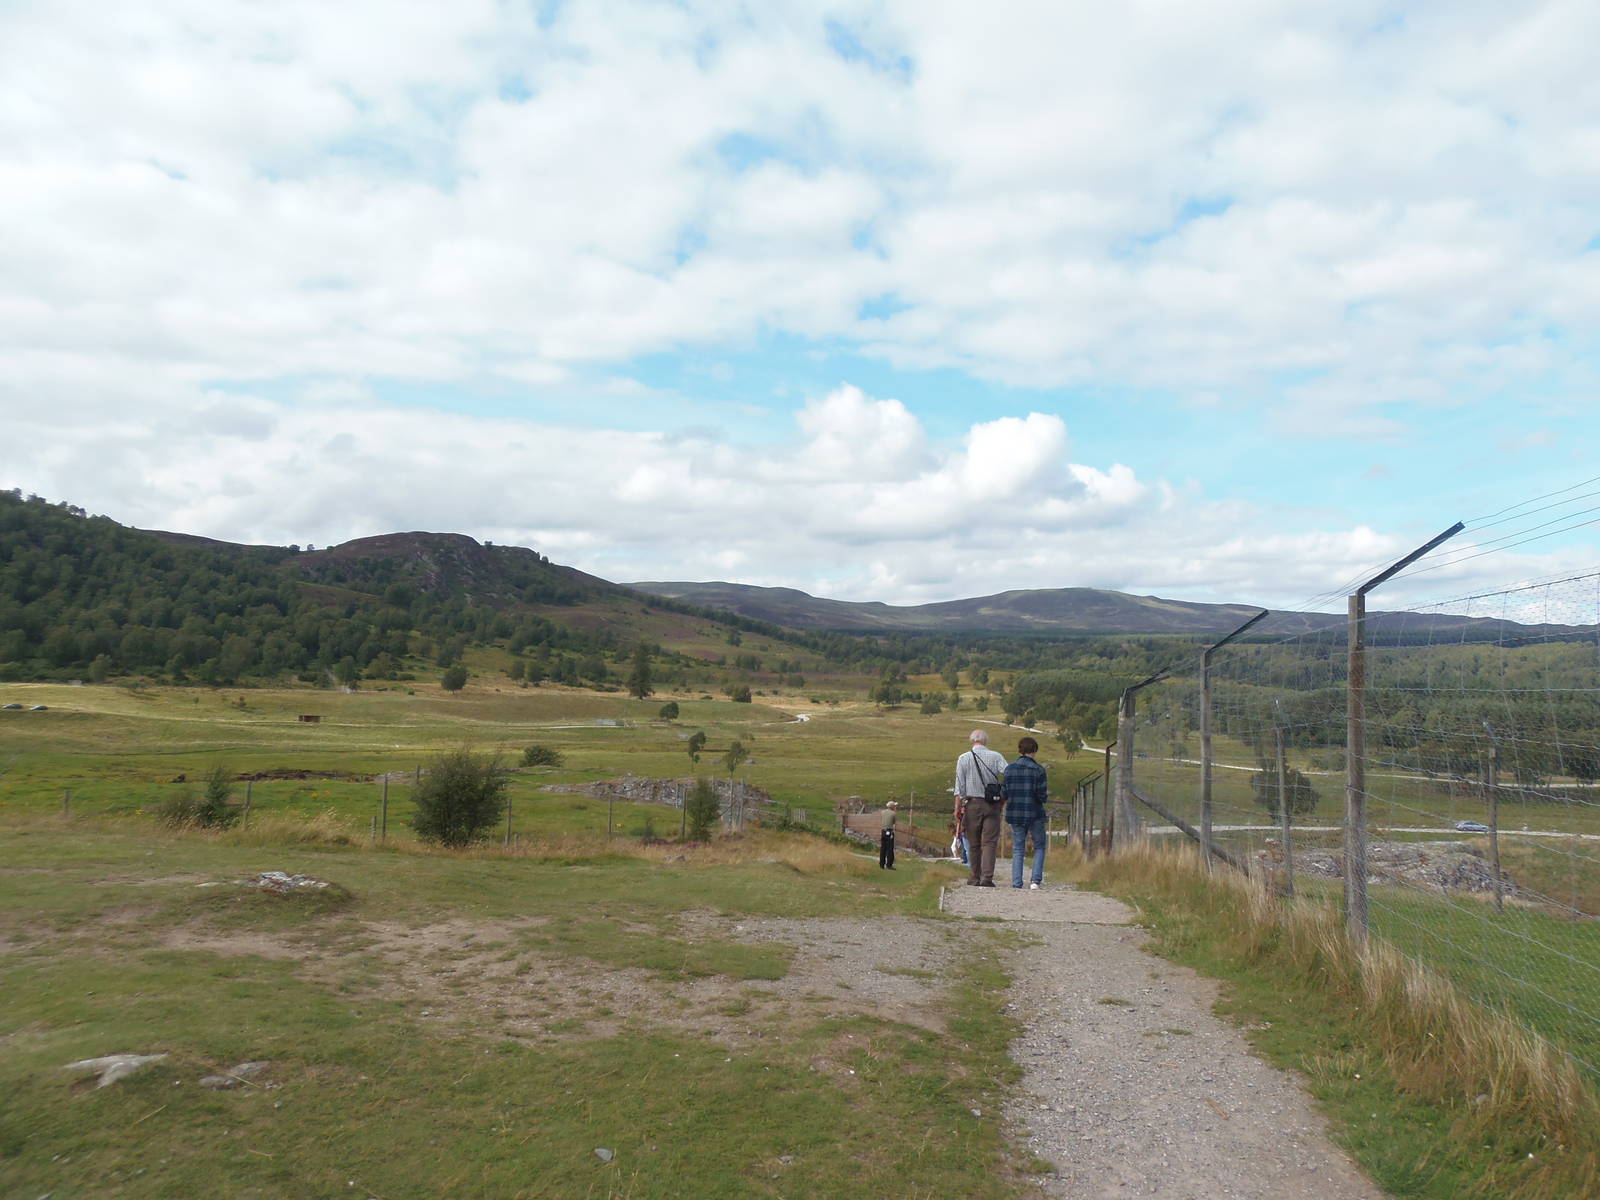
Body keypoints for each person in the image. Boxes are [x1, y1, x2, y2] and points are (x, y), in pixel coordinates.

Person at [956, 730, 1008, 886]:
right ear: (985, 741)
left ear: (971, 741)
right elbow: (1008, 773)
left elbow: (959, 787)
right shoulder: (996, 756)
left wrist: (957, 807)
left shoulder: (963, 758)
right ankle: (987, 878)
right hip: (992, 804)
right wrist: (1003, 796)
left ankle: (974, 877)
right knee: (989, 842)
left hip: (971, 804)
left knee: (973, 843)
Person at [1004, 736, 1049, 889]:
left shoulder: (1009, 769)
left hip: (1015, 812)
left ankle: (1017, 882)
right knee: (1040, 845)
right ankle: (1035, 880)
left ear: (1020, 750)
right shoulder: (1038, 770)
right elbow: (1042, 795)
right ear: (1034, 751)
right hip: (1034, 812)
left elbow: (1005, 792)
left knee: (1018, 848)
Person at [878, 799, 898, 869]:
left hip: (883, 831)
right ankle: (889, 864)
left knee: (883, 848)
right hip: (889, 831)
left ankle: (881, 864)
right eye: (894, 806)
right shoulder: (893, 813)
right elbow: (894, 823)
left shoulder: (882, 812)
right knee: (889, 848)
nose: (895, 807)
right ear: (892, 807)